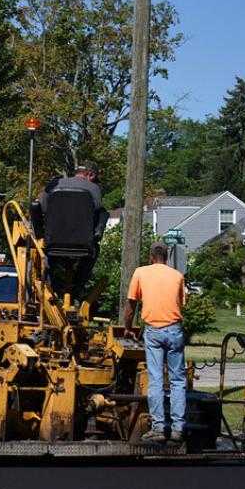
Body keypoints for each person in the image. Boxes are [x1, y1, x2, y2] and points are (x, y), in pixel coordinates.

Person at [123, 242, 187, 444]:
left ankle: (159, 427)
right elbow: (180, 304)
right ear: (167, 257)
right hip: (174, 329)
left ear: (151, 257)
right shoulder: (177, 276)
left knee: (156, 379)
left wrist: (128, 327)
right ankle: (178, 428)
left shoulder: (141, 273)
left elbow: (130, 306)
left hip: (153, 331)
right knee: (178, 380)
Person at [37, 161, 107, 299]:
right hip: (83, 245)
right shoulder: (94, 189)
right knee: (94, 251)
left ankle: (51, 288)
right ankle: (77, 288)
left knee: (49, 259)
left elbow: (42, 207)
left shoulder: (53, 186)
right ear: (90, 175)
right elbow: (97, 210)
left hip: (53, 244)